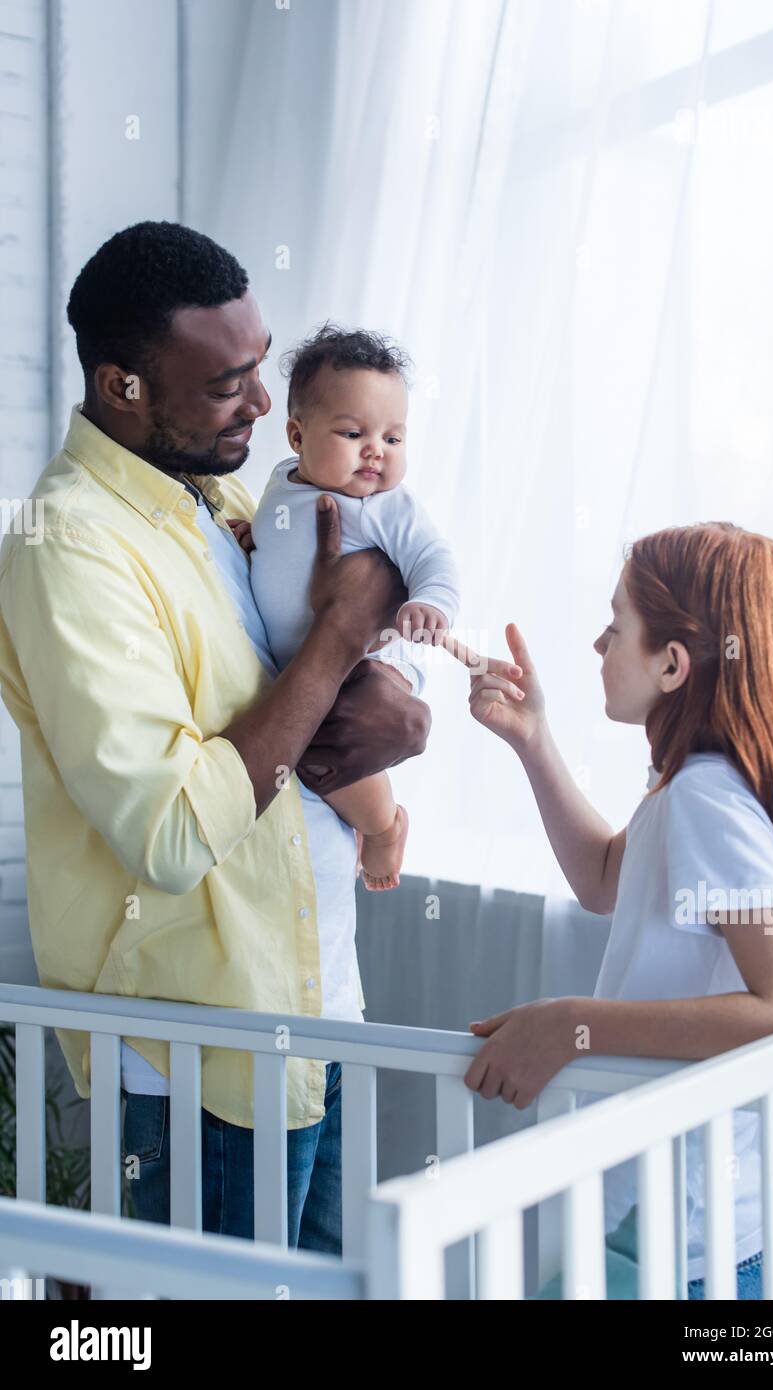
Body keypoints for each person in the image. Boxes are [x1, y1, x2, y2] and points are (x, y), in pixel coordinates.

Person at [0, 220, 431, 1253]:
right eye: (225, 383)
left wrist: (390, 701)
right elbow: (175, 828)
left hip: (316, 998)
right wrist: (339, 641)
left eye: (258, 363)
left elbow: (323, 705)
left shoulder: (230, 498)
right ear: (123, 387)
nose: (262, 403)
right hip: (201, 1050)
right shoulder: (66, 545)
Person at [452, 522, 773, 1298]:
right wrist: (533, 741)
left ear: (671, 663)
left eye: (614, 626)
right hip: (678, 1224)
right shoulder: (689, 785)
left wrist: (571, 1024)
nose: (598, 645)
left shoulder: (705, 795)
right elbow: (602, 877)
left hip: (682, 1238)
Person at [236, 322, 460, 891]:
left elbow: (433, 555)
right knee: (309, 748)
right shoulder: (282, 485)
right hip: (311, 665)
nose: (375, 453)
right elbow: (284, 543)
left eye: (393, 438)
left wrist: (432, 601)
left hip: (370, 665)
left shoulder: (385, 506)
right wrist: (252, 536)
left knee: (330, 744)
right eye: (354, 432)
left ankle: (383, 828)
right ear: (296, 435)